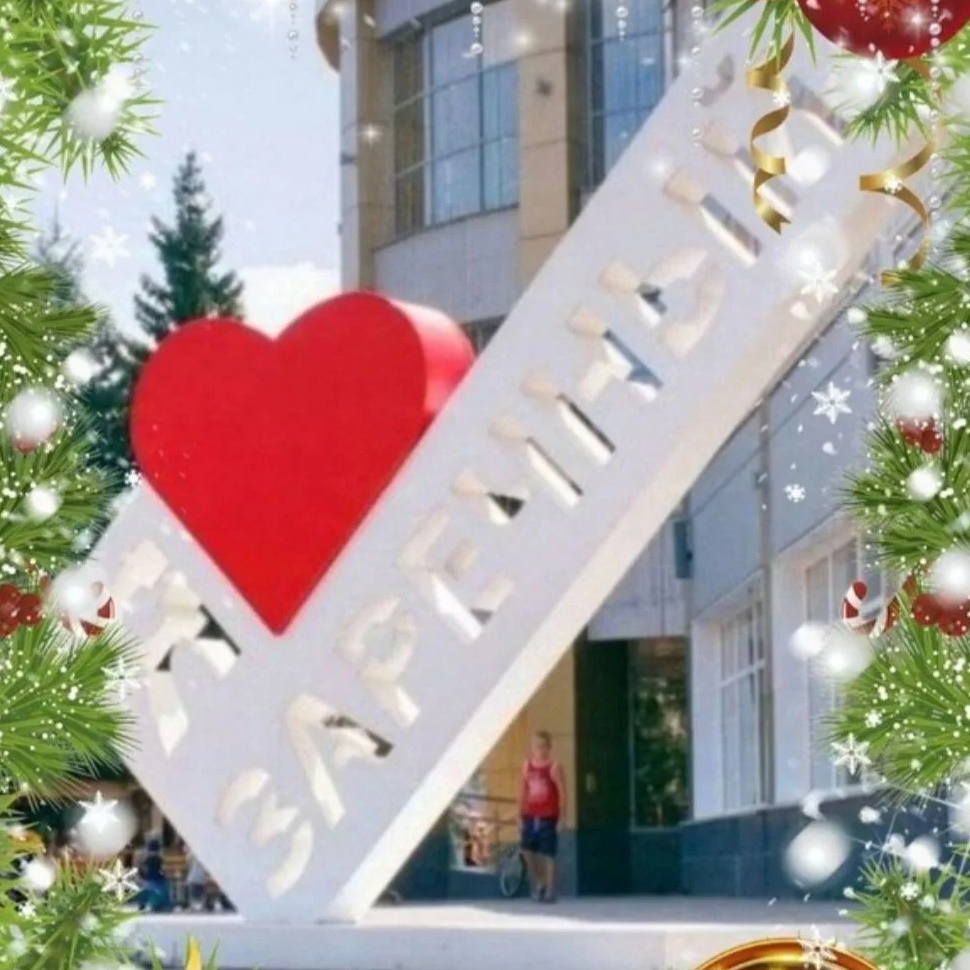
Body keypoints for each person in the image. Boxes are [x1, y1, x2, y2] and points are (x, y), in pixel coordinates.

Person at [519, 730, 565, 903]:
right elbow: (522, 791)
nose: (541, 750)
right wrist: (519, 816)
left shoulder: (554, 767)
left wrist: (562, 817)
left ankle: (550, 892)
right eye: (538, 746)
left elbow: (562, 793)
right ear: (532, 748)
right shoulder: (527, 766)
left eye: (544, 746)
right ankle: (540, 881)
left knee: (548, 853)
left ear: (549, 747)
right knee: (526, 850)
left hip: (548, 816)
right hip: (530, 815)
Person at [134, 837, 171, 912]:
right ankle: (163, 905)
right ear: (158, 850)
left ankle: (143, 904)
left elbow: (142, 870)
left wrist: (141, 877)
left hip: (149, 879)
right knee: (163, 890)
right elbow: (163, 869)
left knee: (145, 891)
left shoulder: (146, 860)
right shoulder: (159, 859)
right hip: (157, 879)